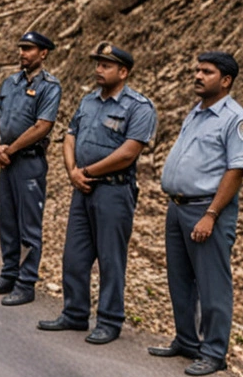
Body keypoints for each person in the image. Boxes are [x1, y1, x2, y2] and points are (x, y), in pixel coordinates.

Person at [38, 43, 155, 344]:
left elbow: (128, 153)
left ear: (123, 71)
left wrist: (87, 172)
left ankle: (109, 320)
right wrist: (72, 171)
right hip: (83, 188)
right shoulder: (89, 101)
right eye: (98, 64)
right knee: (74, 256)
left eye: (106, 66)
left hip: (114, 191)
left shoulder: (138, 107)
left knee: (110, 258)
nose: (99, 70)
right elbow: (69, 136)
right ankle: (75, 313)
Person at [150, 52, 243, 376]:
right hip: (178, 207)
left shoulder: (236, 120)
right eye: (197, 70)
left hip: (207, 209)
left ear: (225, 81)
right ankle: (186, 340)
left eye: (206, 72)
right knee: (180, 279)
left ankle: (213, 351)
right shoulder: (197, 113)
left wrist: (211, 214)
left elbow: (236, 171)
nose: (198, 75)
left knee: (212, 284)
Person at [0, 31, 61, 306]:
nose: (23, 53)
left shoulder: (50, 86)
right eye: (21, 48)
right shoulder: (10, 82)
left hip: (28, 162)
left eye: (29, 49)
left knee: (29, 225)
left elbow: (42, 126)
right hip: (7, 160)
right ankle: (8, 274)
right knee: (7, 221)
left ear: (43, 53)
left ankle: (26, 282)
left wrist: (10, 150)